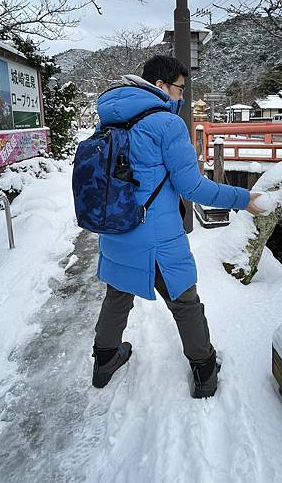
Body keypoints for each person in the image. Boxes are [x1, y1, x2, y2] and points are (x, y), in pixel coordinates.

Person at [92, 54, 265, 398]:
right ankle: (204, 371)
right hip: (157, 235)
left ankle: (104, 361)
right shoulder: (167, 125)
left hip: (114, 227)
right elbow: (193, 187)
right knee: (185, 303)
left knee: (117, 295)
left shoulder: (108, 120)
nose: (182, 96)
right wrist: (243, 198)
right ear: (160, 86)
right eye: (180, 89)